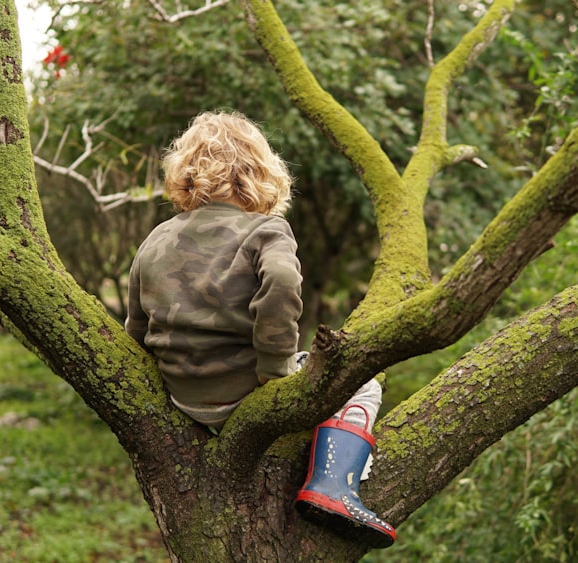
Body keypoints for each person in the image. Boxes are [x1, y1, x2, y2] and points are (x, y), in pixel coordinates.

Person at [124, 111, 395, 549]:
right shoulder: (267, 230)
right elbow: (284, 283)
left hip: (184, 398)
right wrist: (274, 368)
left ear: (186, 174)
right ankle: (333, 486)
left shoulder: (155, 239)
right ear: (260, 173)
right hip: (248, 389)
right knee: (362, 382)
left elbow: (134, 329)